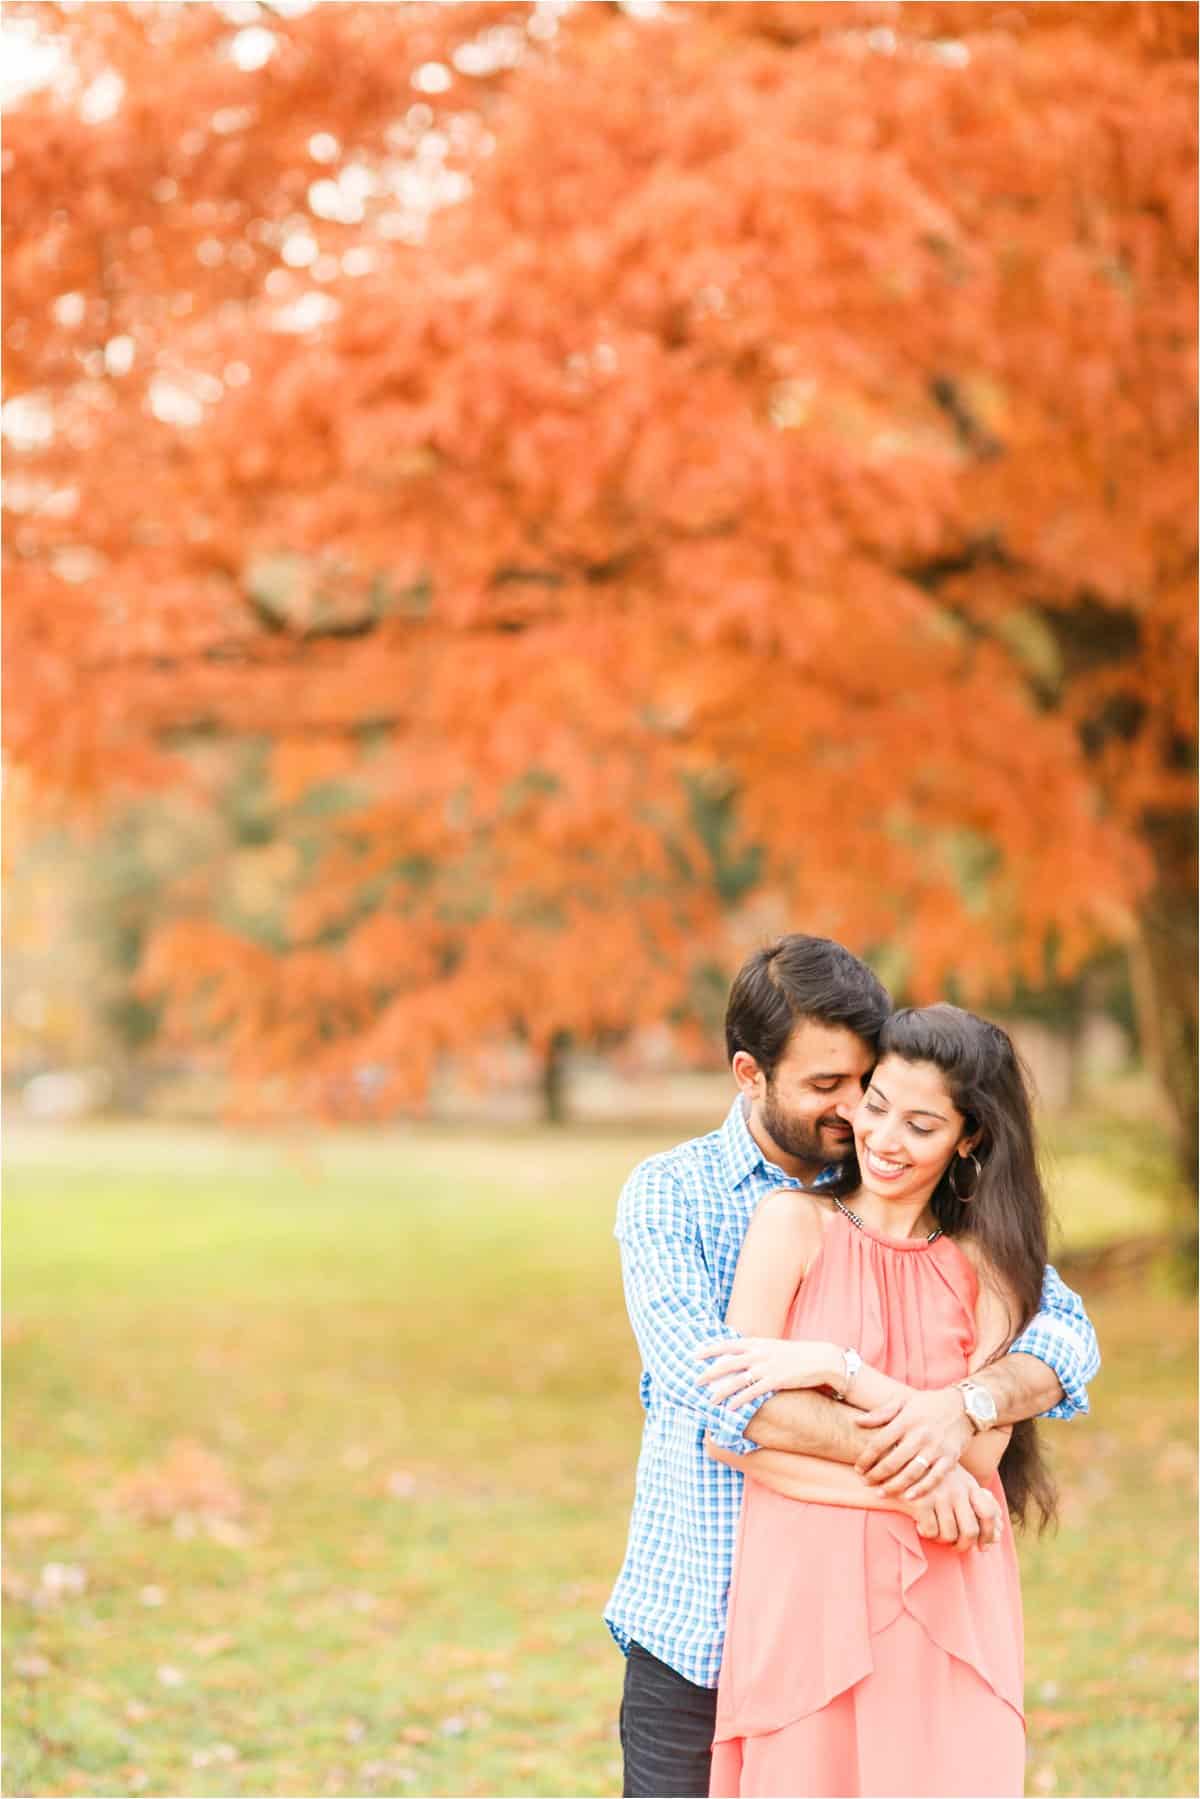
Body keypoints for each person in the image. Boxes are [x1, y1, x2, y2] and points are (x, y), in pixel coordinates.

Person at [604, 936, 1100, 1799]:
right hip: (699, 1626)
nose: (854, 1112)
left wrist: (971, 1404)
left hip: (876, 1622)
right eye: (827, 1087)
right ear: (750, 1075)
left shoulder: (923, 1194)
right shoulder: (669, 1196)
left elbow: (1065, 1336)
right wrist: (928, 1477)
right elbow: (735, 1411)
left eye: (862, 1081)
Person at [700, 1001, 1049, 1796]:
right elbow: (735, 1431)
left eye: (921, 1126)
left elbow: (978, 1454)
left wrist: (840, 1367)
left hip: (949, 1603)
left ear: (970, 1137)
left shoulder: (987, 1264)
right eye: (877, 1105)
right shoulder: (791, 1225)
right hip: (805, 1599)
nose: (885, 1139)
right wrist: (931, 1486)